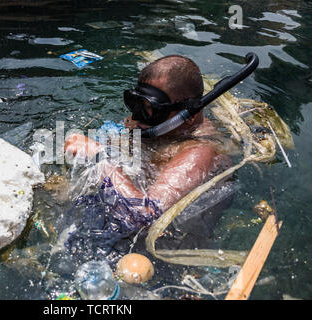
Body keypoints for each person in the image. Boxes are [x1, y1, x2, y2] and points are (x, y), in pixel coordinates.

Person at [62, 55, 234, 261]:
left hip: (166, 249)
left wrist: (99, 157)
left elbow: (143, 216)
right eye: (136, 104)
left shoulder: (200, 152)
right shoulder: (153, 126)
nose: (136, 118)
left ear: (190, 117)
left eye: (151, 110)